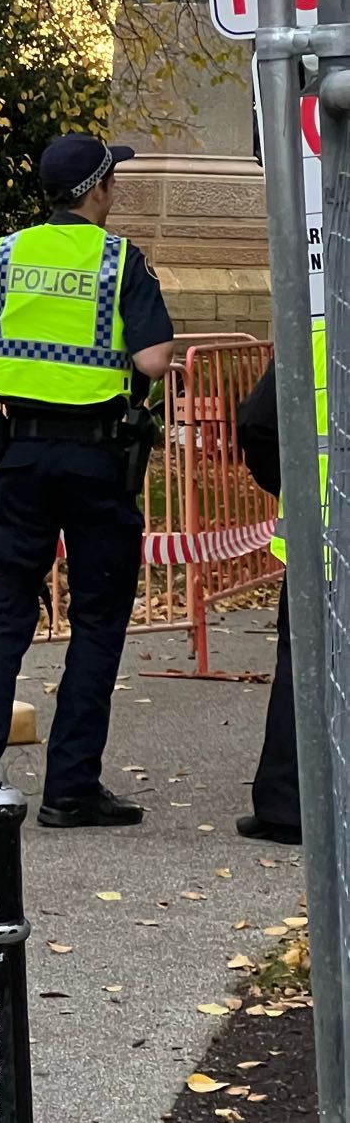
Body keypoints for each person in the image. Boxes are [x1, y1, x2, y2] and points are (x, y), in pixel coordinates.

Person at [0, 134, 175, 826]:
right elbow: (156, 359)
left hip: (18, 456)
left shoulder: (7, 254)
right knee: (98, 620)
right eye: (114, 182)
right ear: (99, 189)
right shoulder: (119, 260)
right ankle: (70, 788)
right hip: (99, 462)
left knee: (7, 605)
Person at [232, 333, 313, 846]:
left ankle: (286, 805)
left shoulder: (318, 327)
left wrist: (296, 484)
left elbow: (258, 423)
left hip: (322, 537)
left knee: (302, 666)